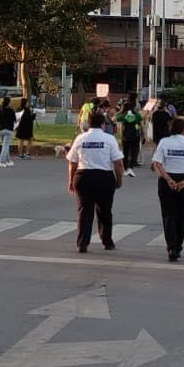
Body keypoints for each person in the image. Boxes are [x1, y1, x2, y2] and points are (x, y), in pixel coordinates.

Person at [65, 111, 125, 253]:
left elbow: (72, 162)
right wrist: (119, 180)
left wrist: (71, 180)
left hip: (83, 176)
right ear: (103, 124)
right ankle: (107, 242)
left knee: (84, 211)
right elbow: (118, 163)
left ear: (88, 124)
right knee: (104, 211)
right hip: (104, 177)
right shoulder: (109, 139)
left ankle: (82, 243)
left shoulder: (80, 138)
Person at [152, 118, 184, 262]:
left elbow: (157, 163)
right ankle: (178, 245)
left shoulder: (164, 142)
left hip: (167, 179)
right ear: (183, 130)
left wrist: (168, 180)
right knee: (181, 214)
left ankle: (171, 246)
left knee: (168, 214)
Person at [119, 101, 143, 177]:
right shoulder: (137, 115)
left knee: (125, 152)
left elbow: (121, 126)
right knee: (133, 152)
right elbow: (141, 125)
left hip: (125, 136)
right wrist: (144, 135)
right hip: (135, 136)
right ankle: (130, 167)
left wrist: (121, 135)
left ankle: (125, 168)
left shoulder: (124, 115)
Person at [0, 100, 16, 168]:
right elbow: (14, 119)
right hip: (8, 130)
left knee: (5, 147)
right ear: (9, 103)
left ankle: (8, 161)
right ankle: (1, 162)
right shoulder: (11, 110)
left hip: (0, 130)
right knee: (5, 147)